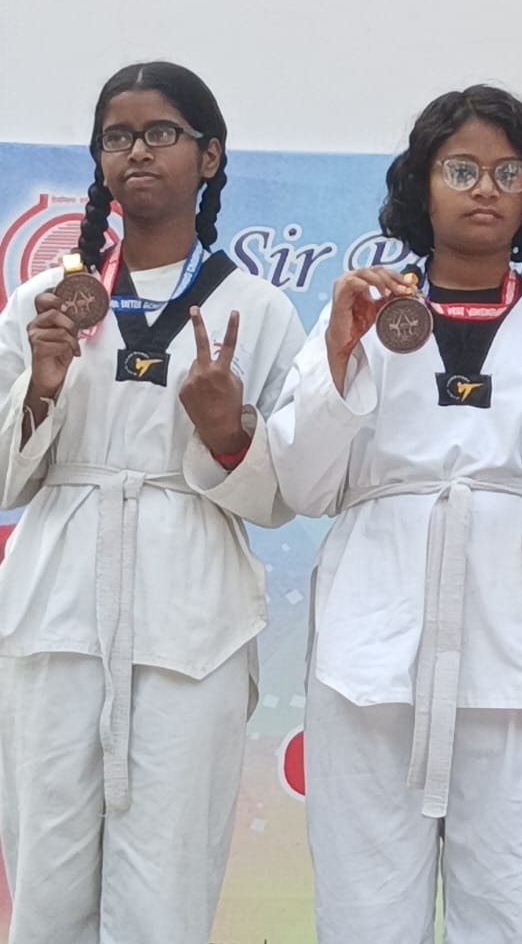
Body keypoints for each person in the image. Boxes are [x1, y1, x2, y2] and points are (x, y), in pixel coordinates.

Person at [266, 85, 522, 943]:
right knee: (365, 911)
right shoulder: (362, 317)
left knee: (510, 909)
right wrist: (339, 364)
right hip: (374, 652)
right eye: (461, 169)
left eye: (508, 172)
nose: (485, 189)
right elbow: (304, 483)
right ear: (422, 184)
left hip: (519, 654)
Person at [0, 61, 305, 943]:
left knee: (166, 883)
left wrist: (226, 431)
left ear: (209, 156)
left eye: (161, 133)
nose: (138, 151)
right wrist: (42, 386)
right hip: (56, 611)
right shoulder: (46, 304)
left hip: (192, 619)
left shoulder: (258, 309)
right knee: (48, 875)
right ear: (99, 160)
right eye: (118, 136)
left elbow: (287, 493)